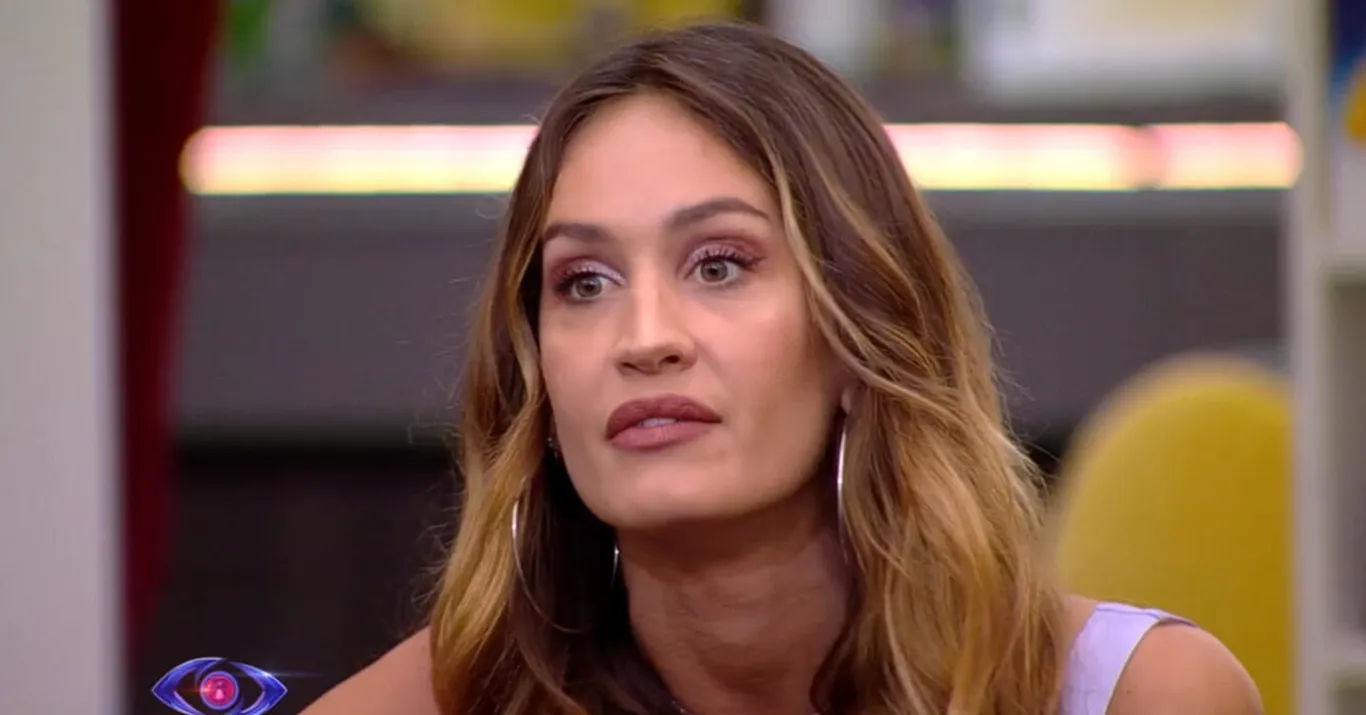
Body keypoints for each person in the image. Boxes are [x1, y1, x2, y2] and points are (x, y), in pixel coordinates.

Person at [303, 22, 1260, 715]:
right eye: (584, 282)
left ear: (859, 330)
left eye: (720, 265)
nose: (644, 337)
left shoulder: (1142, 694)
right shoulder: (437, 699)